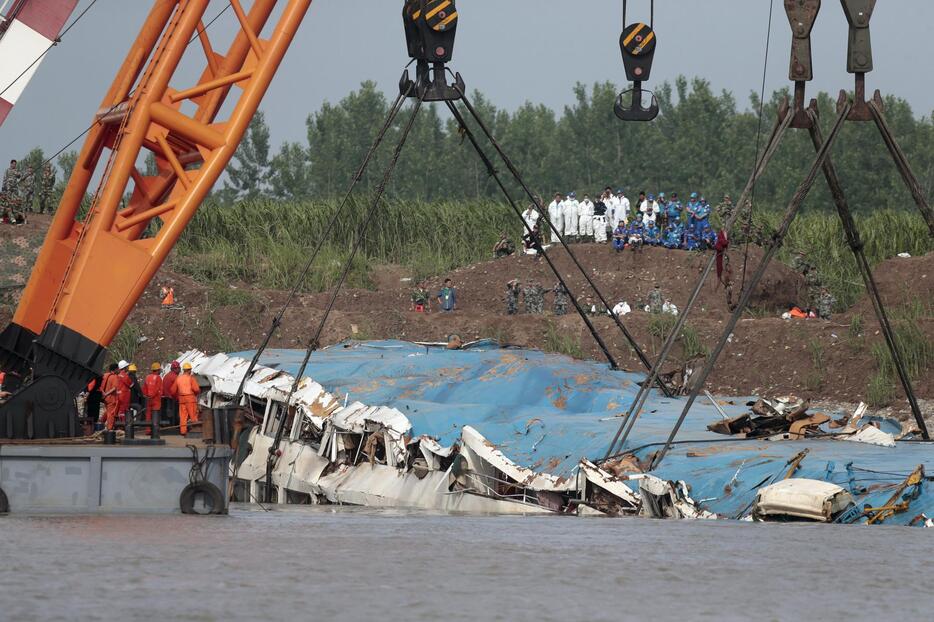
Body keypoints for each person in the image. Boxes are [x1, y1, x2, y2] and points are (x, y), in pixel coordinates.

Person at [171, 362, 201, 437]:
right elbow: (196, 389)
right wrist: (196, 394)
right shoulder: (191, 378)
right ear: (189, 370)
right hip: (190, 399)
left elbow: (172, 390)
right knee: (193, 415)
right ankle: (195, 431)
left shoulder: (178, 378)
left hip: (181, 399)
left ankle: (183, 431)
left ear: (183, 370)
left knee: (183, 416)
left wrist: (177, 396)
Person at [143, 363, 164, 430]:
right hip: (156, 399)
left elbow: (144, 389)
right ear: (157, 370)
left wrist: (147, 396)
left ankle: (148, 430)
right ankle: (155, 430)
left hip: (148, 399)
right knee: (155, 414)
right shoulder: (158, 378)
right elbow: (158, 389)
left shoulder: (147, 377)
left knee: (148, 415)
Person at [101, 363, 121, 431]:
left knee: (107, 412)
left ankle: (100, 422)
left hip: (105, 399)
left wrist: (103, 393)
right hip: (111, 398)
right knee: (111, 414)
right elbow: (114, 388)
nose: (119, 370)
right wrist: (106, 394)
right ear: (115, 369)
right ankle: (109, 430)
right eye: (118, 369)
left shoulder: (105, 375)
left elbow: (100, 385)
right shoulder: (114, 377)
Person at [162, 361, 180, 427]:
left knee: (168, 413)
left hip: (166, 397)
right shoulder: (175, 377)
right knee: (175, 413)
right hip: (173, 398)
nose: (179, 370)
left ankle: (168, 425)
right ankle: (174, 425)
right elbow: (176, 390)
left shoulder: (166, 376)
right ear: (174, 369)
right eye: (178, 368)